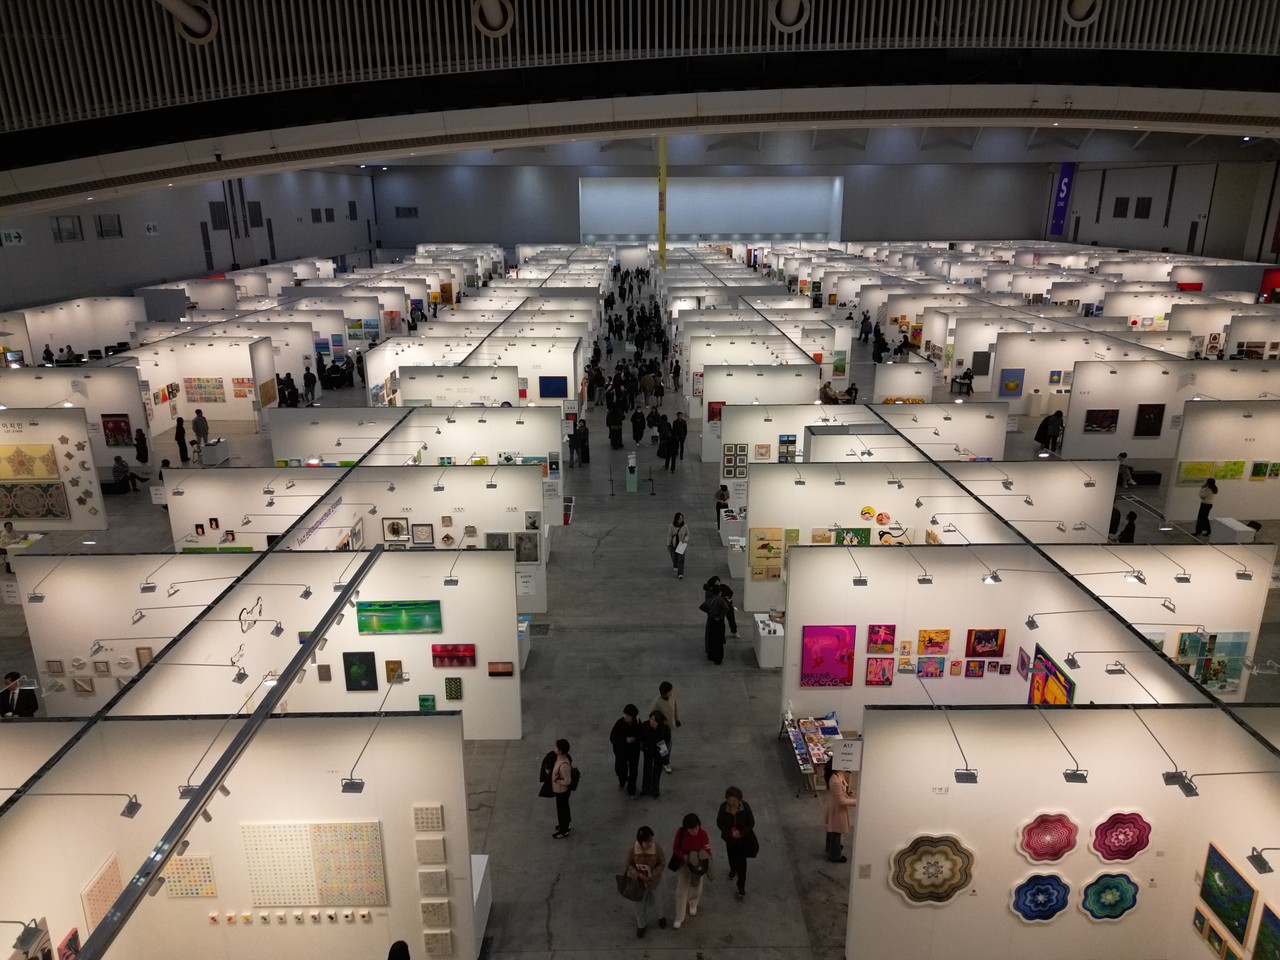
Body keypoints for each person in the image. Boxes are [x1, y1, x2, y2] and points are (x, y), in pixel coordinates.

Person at [670, 813, 713, 929]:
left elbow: (707, 849)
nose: (694, 831)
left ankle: (693, 903)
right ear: (686, 828)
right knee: (681, 891)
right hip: (684, 866)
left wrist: (702, 859)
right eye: (691, 828)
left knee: (696, 886)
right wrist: (684, 856)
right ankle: (679, 917)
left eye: (696, 827)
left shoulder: (703, 834)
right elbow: (675, 848)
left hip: (697, 866)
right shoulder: (680, 833)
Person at [623, 826, 666, 937]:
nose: (651, 843)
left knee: (658, 903)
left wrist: (653, 873)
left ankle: (661, 917)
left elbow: (662, 863)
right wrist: (638, 874)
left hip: (654, 882)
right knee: (639, 906)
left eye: (651, 840)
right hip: (639, 884)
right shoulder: (633, 850)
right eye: (648, 841)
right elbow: (628, 865)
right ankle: (641, 925)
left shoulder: (656, 848)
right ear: (641, 842)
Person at [716, 786, 756, 900]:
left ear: (739, 799)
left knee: (742, 863)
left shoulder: (745, 807)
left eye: (734, 800)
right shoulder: (723, 807)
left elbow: (751, 823)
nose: (731, 802)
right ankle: (733, 869)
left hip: (742, 840)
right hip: (730, 839)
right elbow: (720, 823)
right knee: (731, 855)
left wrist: (741, 834)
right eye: (729, 800)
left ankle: (741, 886)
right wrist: (730, 833)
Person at [823, 769, 857, 862]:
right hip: (837, 809)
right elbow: (841, 801)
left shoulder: (838, 774)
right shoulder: (835, 780)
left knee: (832, 828)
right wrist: (857, 802)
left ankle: (830, 847)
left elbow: (843, 786)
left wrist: (847, 792)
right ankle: (835, 856)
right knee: (836, 831)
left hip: (835, 807)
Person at [610, 704, 642, 796]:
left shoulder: (637, 722)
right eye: (624, 714)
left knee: (633, 771)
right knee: (620, 769)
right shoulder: (619, 723)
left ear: (633, 716)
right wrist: (625, 740)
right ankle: (623, 780)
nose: (625, 716)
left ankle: (631, 791)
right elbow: (613, 737)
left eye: (628, 715)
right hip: (621, 751)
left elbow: (641, 735)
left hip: (634, 751)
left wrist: (635, 739)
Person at [639, 709, 671, 798]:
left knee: (657, 769)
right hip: (648, 749)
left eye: (654, 720)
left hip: (659, 749)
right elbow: (641, 737)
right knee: (647, 769)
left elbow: (668, 737)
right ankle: (646, 788)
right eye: (651, 719)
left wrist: (663, 745)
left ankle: (655, 789)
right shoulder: (645, 725)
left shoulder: (664, 727)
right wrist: (644, 747)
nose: (651, 721)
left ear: (659, 722)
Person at [650, 682, 680, 773]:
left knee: (667, 744)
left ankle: (663, 759)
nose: (671, 692)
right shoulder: (657, 703)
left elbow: (675, 707)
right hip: (661, 729)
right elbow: (652, 716)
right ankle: (665, 762)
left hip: (669, 727)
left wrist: (677, 719)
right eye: (669, 691)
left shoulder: (672, 697)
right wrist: (656, 727)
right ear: (664, 693)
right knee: (662, 745)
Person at [550, 738, 574, 838]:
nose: (554, 748)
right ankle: (566, 825)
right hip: (561, 791)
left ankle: (564, 831)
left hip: (562, 791)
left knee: (561, 811)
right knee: (564, 808)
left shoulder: (564, 766)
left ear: (560, 751)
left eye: (556, 747)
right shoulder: (561, 757)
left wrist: (557, 781)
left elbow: (568, 781)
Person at [703, 585, 730, 665]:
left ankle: (711, 656)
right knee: (718, 640)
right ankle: (718, 659)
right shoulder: (720, 600)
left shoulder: (710, 599)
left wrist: (709, 613)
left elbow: (702, 607)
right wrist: (720, 616)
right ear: (720, 592)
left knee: (711, 639)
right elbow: (726, 608)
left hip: (711, 620)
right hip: (718, 622)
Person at [667, 512, 688, 579]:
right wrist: (668, 544)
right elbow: (669, 535)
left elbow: (687, 534)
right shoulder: (671, 526)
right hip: (674, 543)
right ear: (676, 519)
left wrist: (685, 540)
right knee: (674, 557)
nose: (681, 520)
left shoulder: (684, 526)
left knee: (681, 559)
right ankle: (675, 564)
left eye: (682, 518)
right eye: (679, 519)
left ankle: (680, 573)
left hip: (681, 543)